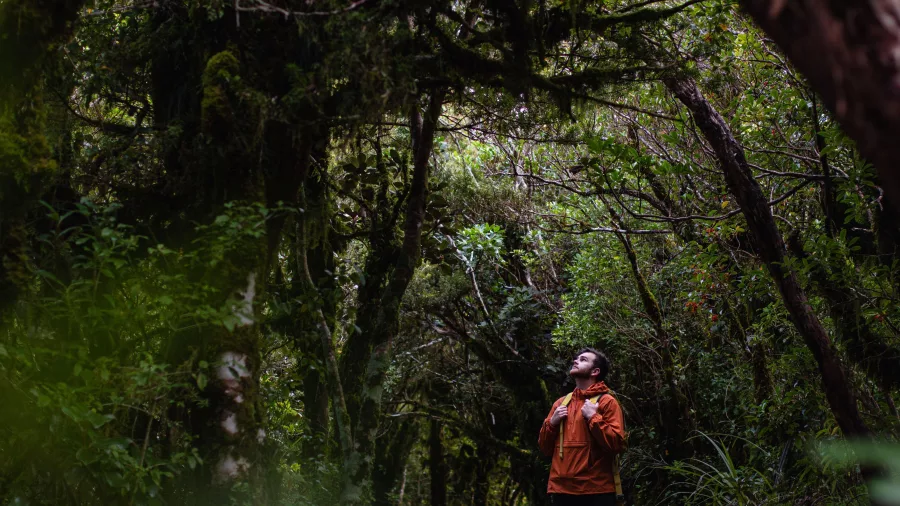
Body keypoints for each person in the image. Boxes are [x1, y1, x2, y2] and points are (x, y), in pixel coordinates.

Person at [538, 348, 626, 506]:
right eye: (576, 359)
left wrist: (593, 417)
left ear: (595, 371)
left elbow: (616, 444)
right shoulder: (561, 403)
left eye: (583, 359)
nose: (575, 361)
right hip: (561, 491)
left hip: (597, 491)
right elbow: (544, 448)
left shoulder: (606, 402)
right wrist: (552, 423)